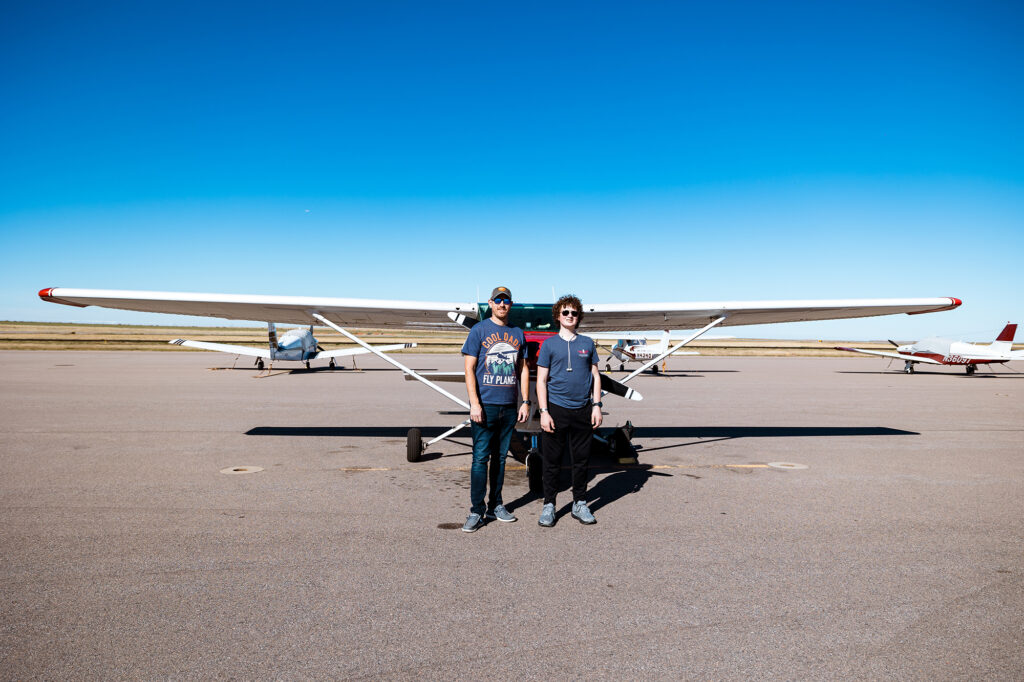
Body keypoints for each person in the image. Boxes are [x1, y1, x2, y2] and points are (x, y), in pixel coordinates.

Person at [460, 286, 530, 532]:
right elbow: (469, 369)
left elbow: (522, 368)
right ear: (490, 303)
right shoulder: (479, 330)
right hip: (485, 405)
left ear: (511, 304)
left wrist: (525, 401)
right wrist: (475, 403)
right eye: (498, 300)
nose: (502, 304)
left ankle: (496, 505)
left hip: (509, 406)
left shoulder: (517, 333)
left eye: (506, 300)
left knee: (500, 459)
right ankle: (476, 510)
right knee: (480, 458)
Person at [535, 294, 603, 527]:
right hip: (556, 410)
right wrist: (544, 411)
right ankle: (549, 504)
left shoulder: (587, 343)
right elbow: (541, 380)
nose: (570, 316)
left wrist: (597, 406)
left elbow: (595, 376)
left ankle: (580, 503)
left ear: (579, 316)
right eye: (565, 312)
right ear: (558, 316)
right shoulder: (549, 344)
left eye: (574, 313)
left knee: (581, 461)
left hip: (583, 410)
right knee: (551, 461)